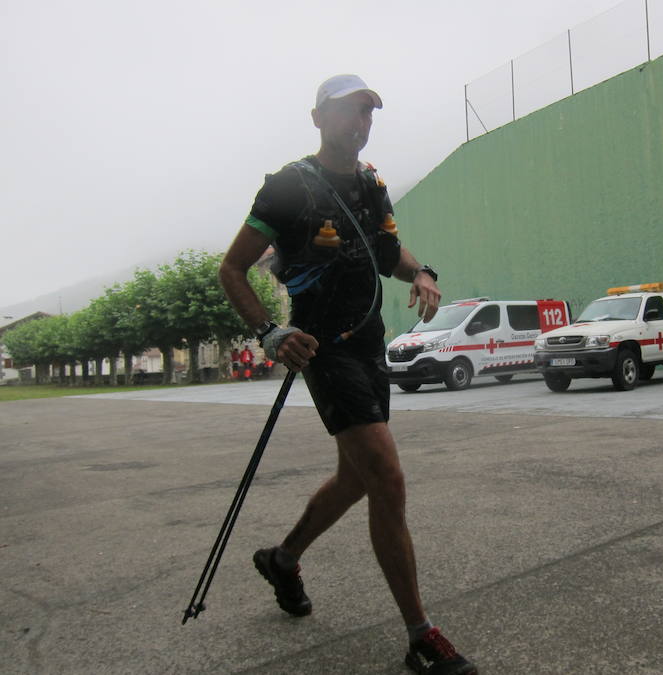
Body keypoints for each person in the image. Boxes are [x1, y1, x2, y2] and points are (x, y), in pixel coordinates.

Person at [218, 74, 477, 675]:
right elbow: (232, 270)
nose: (359, 124)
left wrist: (422, 271)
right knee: (386, 477)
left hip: (369, 346)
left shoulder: (370, 185)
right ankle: (421, 635)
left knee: (357, 479)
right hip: (323, 349)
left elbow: (389, 253)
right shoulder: (287, 188)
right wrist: (270, 332)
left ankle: (282, 559)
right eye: (348, 113)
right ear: (317, 118)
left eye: (368, 114)